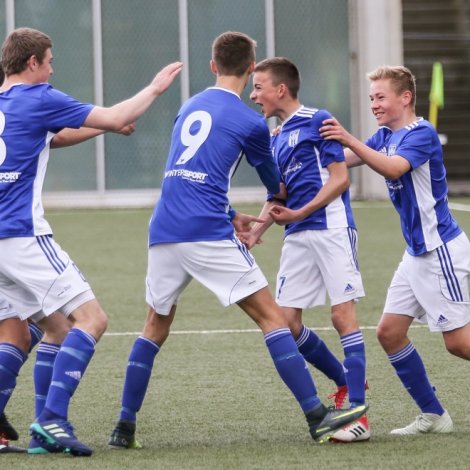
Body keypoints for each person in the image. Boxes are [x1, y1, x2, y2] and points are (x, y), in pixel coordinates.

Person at [108, 31, 367, 450]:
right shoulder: (251, 122)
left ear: (213, 66)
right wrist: (274, 205)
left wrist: (233, 215)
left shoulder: (189, 105)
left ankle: (124, 426)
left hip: (164, 229)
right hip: (206, 232)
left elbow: (183, 175)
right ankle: (318, 416)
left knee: (154, 326)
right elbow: (275, 185)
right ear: (250, 70)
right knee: (273, 318)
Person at [0, 26, 182, 456]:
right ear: (32, 63)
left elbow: (52, 137)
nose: (52, 68)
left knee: (33, 331)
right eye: (49, 60)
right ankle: (52, 420)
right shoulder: (39, 97)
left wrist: (103, 131)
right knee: (92, 319)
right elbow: (118, 114)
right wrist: (154, 88)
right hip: (22, 235)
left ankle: (44, 432)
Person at [319, 65, 470, 435]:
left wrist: (349, 139)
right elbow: (345, 160)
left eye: (380, 96)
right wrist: (300, 137)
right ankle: (434, 415)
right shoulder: (386, 134)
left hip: (440, 252)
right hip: (415, 254)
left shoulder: (421, 134)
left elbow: (392, 169)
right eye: (371, 97)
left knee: (460, 343)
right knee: (388, 332)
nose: (373, 104)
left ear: (405, 97)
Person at [242, 57, 368, 443]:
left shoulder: (319, 119)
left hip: (330, 228)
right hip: (295, 234)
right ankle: (344, 381)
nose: (253, 94)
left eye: (259, 86)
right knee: (286, 321)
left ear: (281, 89)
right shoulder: (275, 137)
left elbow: (340, 179)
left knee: (342, 315)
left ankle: (359, 416)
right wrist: (256, 229)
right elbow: (277, 194)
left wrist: (301, 211)